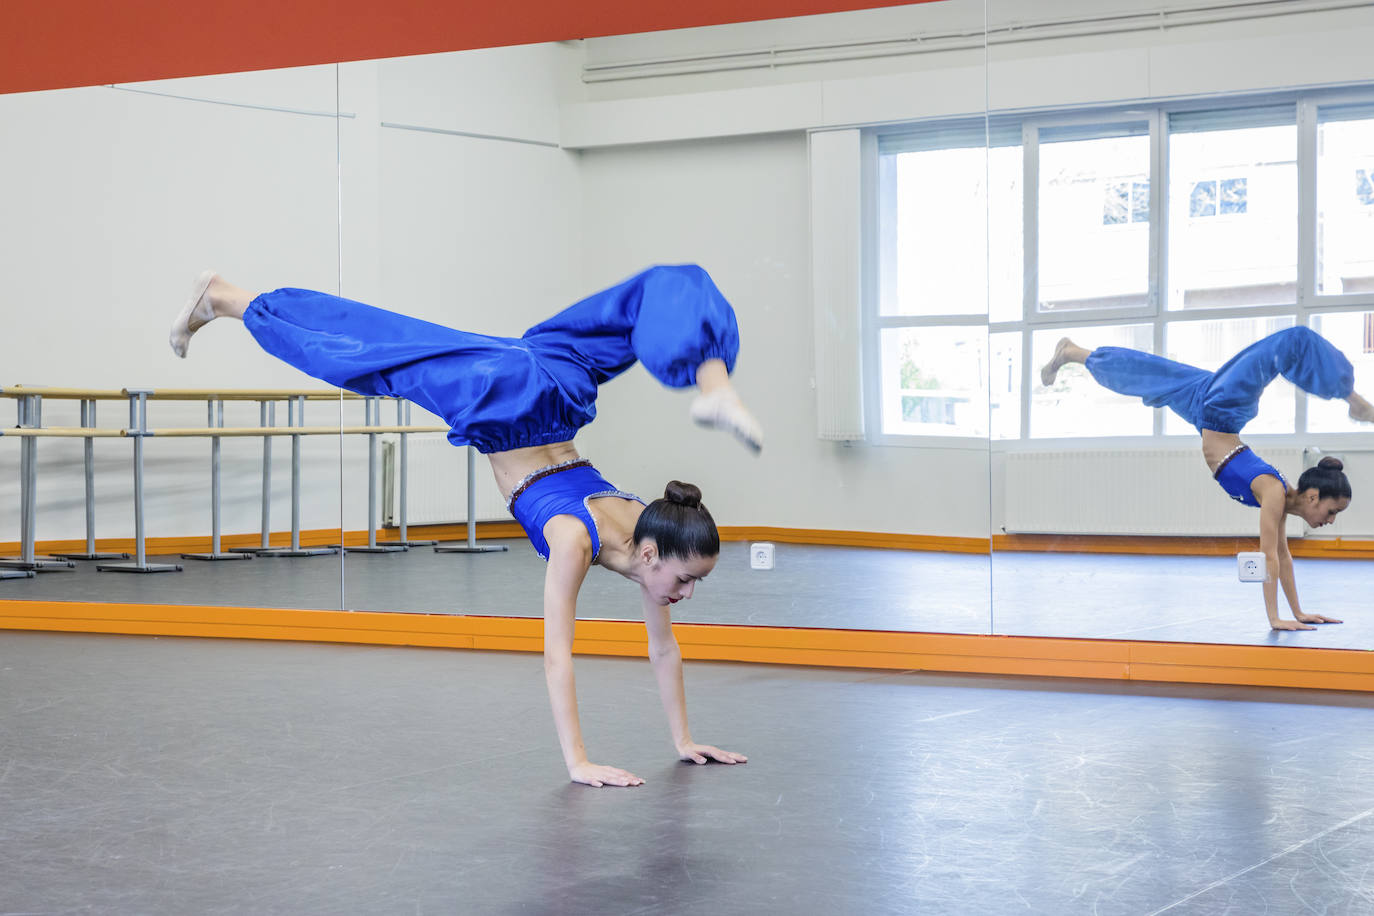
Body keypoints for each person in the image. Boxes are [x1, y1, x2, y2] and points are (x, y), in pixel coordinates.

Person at [170, 264, 756, 786]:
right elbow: (558, 657)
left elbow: (663, 651)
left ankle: (713, 382)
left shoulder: (653, 528)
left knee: (660, 286)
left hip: (555, 375)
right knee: (365, 353)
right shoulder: (576, 540)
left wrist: (684, 741)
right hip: (498, 397)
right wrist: (577, 761)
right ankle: (228, 298)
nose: (685, 594)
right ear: (652, 556)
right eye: (684, 580)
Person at [1039, 326, 1372, 631]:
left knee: (1146, 375)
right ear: (1313, 496)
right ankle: (1353, 399)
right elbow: (1268, 556)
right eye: (1332, 511)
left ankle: (1073, 353)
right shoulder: (1274, 492)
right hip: (1224, 410)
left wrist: (1298, 612)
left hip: (1204, 410)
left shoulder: (1281, 495)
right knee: (1292, 342)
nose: (1330, 520)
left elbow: (1283, 556)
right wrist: (1275, 618)